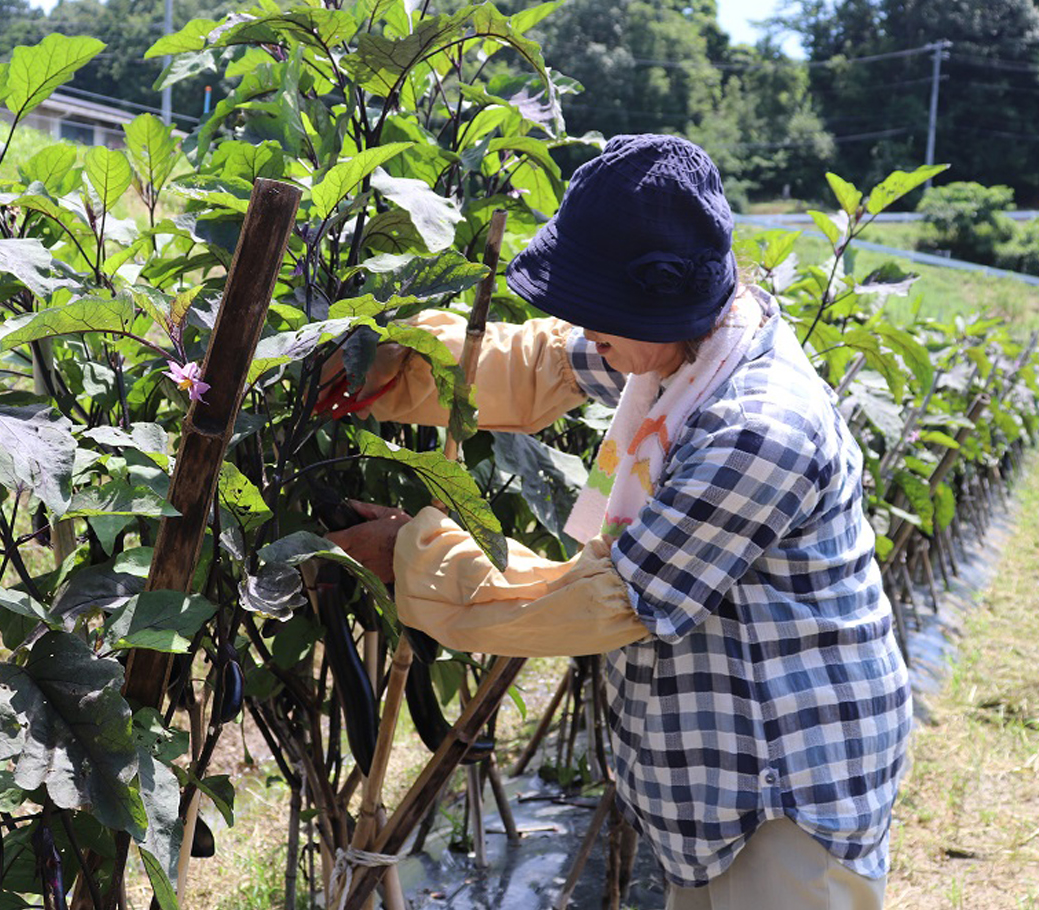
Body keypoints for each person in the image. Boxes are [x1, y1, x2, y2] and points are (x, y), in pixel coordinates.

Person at [325, 134, 910, 910]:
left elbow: (606, 602)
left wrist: (410, 552)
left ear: (657, 304)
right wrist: (395, 362)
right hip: (718, 779)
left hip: (786, 786)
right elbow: (539, 365)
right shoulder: (688, 348)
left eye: (598, 309)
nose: (579, 322)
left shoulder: (758, 430)